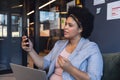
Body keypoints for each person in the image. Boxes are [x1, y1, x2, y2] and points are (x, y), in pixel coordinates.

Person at [21, 6, 103, 80]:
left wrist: (70, 69)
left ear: (80, 29)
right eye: (66, 24)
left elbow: (94, 78)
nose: (65, 27)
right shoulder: (59, 44)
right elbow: (43, 64)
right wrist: (30, 50)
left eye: (70, 25)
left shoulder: (91, 48)